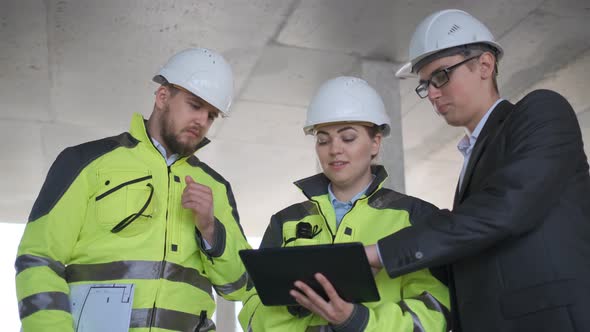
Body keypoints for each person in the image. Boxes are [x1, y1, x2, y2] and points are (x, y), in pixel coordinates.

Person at [364, 9, 590, 332]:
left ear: (485, 65)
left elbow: (504, 209)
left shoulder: (542, 111)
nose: (431, 93)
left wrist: (382, 253)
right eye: (424, 84)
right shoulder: (472, 157)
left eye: (440, 76)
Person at [15, 48, 251, 331]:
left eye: (211, 115)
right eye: (195, 105)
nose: (202, 121)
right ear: (163, 96)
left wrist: (210, 229)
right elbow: (38, 259)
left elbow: (238, 286)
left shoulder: (216, 187)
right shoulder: (85, 162)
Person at [239, 76, 450, 331]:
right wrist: (298, 303)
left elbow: (435, 312)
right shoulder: (286, 222)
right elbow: (251, 309)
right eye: (323, 139)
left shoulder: (415, 217)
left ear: (375, 143)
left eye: (348, 138)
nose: (334, 150)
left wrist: (357, 321)